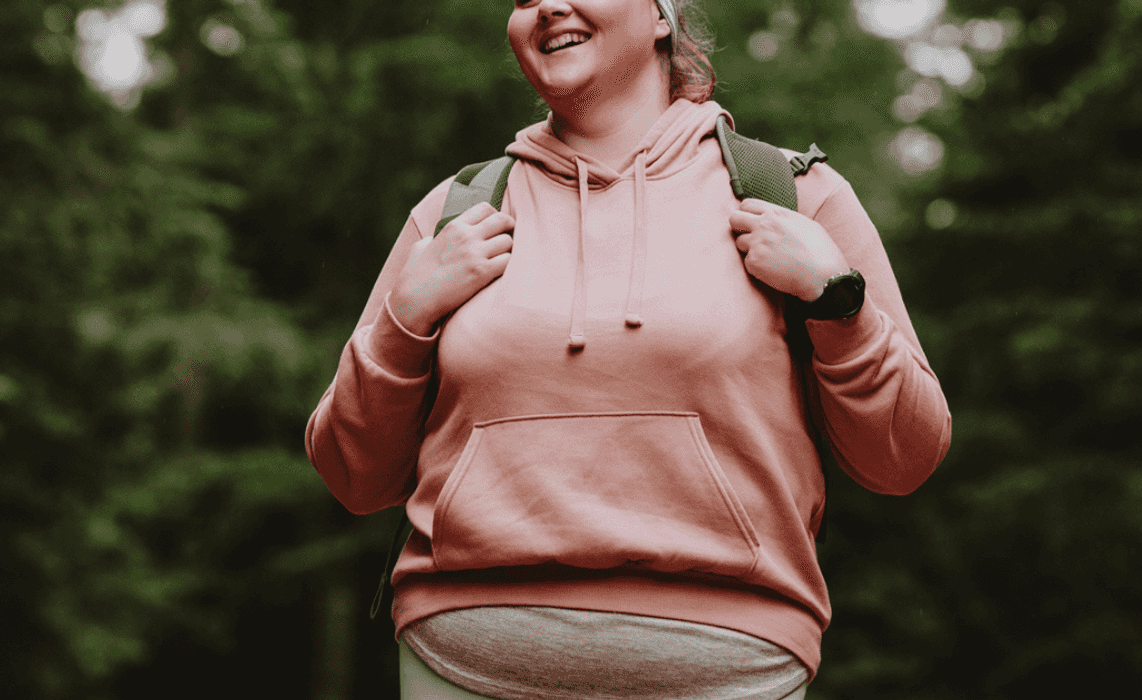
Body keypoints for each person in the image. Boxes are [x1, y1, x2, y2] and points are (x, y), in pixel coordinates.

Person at [305, 0, 952, 697]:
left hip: (733, 671)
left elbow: (904, 458)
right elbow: (353, 476)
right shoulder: (457, 212)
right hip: (462, 663)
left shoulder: (790, 195)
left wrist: (836, 301)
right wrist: (403, 318)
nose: (547, 6)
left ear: (660, 16)